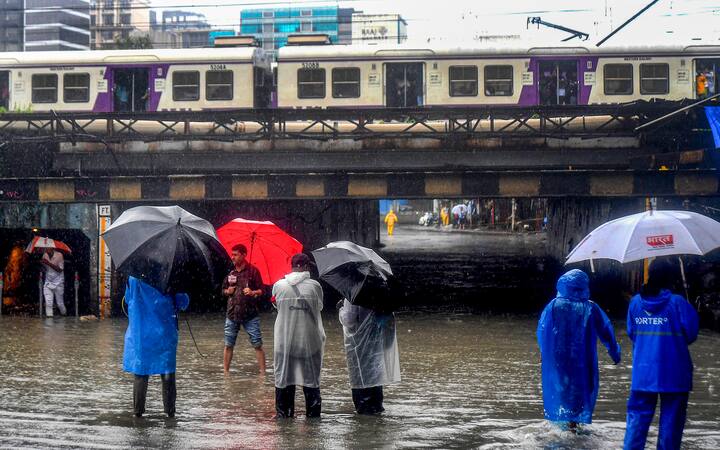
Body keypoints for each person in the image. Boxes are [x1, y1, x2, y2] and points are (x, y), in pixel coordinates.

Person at [623, 259, 699, 450]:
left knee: (637, 420)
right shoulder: (678, 302)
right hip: (674, 372)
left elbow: (632, 334)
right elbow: (691, 334)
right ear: (671, 277)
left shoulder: (635, 303)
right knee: (671, 424)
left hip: (643, 372)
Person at [537, 269, 621, 431]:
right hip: (582, 359)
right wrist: (614, 353)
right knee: (580, 390)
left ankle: (566, 427)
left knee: (562, 388)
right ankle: (573, 427)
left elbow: (542, 330)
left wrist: (544, 352)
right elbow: (606, 331)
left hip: (559, 359)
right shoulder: (591, 308)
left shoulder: (554, 306)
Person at [123, 276, 189, 418]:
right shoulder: (169, 276)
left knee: (141, 373)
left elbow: (128, 300)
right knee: (167, 373)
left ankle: (138, 413)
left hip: (140, 332)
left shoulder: (132, 278)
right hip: (164, 332)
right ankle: (170, 413)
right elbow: (182, 303)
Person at [272, 253, 325, 418]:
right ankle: (313, 423)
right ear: (307, 266)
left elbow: (277, 306)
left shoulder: (278, 286)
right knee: (311, 382)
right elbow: (320, 307)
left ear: (292, 266)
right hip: (309, 342)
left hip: (284, 343)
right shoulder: (315, 286)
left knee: (284, 381)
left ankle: (285, 421)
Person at [338, 278, 400, 415]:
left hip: (359, 345)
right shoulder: (382, 291)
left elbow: (349, 320)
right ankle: (376, 409)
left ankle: (364, 414)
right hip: (377, 342)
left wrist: (341, 309)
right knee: (375, 377)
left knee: (360, 378)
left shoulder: (354, 293)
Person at [222, 243, 266, 374]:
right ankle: (226, 373)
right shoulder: (231, 272)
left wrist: (253, 292)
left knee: (257, 344)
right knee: (228, 344)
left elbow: (262, 291)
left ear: (244, 255)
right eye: (232, 254)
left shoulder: (253, 271)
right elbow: (222, 291)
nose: (232, 257)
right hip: (232, 313)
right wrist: (227, 291)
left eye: (235, 254)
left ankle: (263, 374)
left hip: (250, 315)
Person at [41, 248, 66, 317]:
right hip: (48, 281)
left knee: (59, 303)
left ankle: (64, 314)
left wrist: (48, 263)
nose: (46, 249)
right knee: (48, 302)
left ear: (52, 248)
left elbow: (60, 269)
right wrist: (42, 264)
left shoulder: (59, 255)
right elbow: (45, 268)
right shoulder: (45, 255)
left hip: (58, 282)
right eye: (45, 248)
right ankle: (49, 319)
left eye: (48, 248)